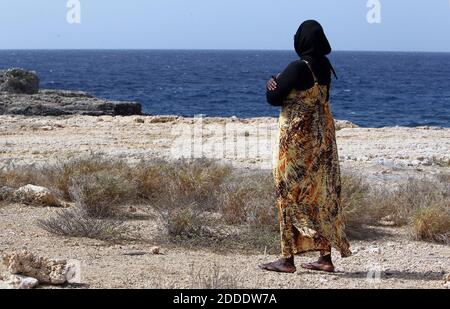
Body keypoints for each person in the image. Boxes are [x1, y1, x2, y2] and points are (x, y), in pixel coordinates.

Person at [260, 20, 351, 274]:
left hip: (296, 143)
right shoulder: (324, 66)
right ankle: (325, 257)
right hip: (321, 140)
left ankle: (287, 259)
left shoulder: (299, 67)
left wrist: (273, 82)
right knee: (318, 195)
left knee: (288, 194)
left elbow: (273, 97)